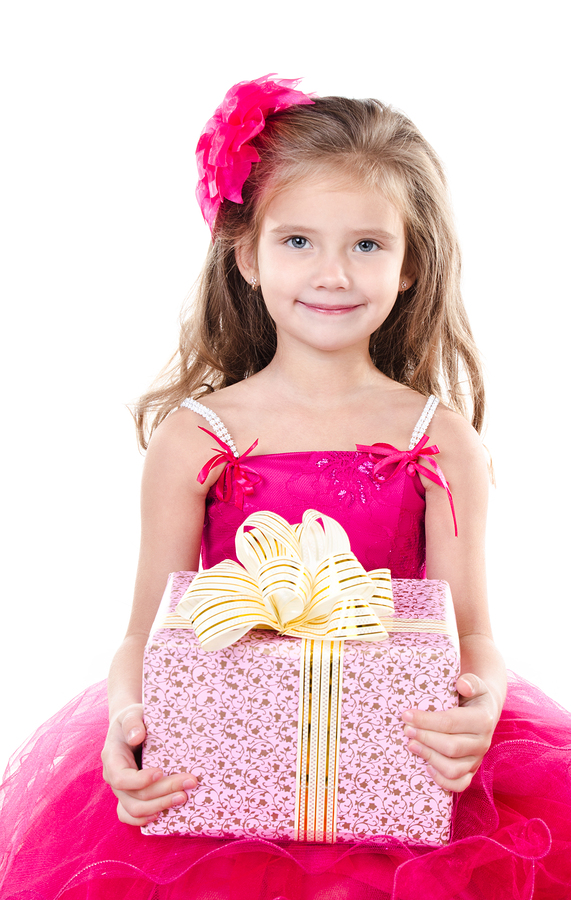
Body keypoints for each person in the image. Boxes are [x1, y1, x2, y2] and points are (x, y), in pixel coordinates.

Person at [1, 75, 570, 900]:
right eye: (297, 240)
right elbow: (143, 636)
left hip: (395, 765)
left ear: (411, 265)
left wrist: (477, 710)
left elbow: (471, 632)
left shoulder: (438, 439)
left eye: (367, 245)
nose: (332, 273)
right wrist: (129, 725)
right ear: (246, 254)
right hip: (222, 775)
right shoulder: (197, 438)